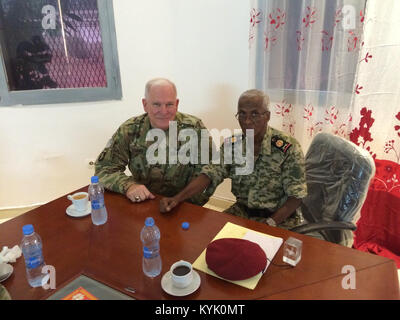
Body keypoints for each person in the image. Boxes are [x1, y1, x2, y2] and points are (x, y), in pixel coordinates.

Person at [160, 89, 307, 229]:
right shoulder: (232, 145)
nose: (247, 121)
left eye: (255, 114)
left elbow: (296, 197)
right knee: (207, 241)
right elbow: (209, 174)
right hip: (241, 213)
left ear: (267, 116)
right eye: (242, 114)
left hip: (279, 220)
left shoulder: (288, 148)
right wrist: (177, 199)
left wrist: (270, 224)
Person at [94, 78, 215, 205]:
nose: (163, 111)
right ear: (145, 104)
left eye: (169, 104)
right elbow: (104, 168)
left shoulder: (194, 127)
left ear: (177, 104)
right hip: (144, 201)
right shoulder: (130, 129)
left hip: (184, 203)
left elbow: (210, 172)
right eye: (156, 104)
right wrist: (129, 186)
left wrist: (184, 202)